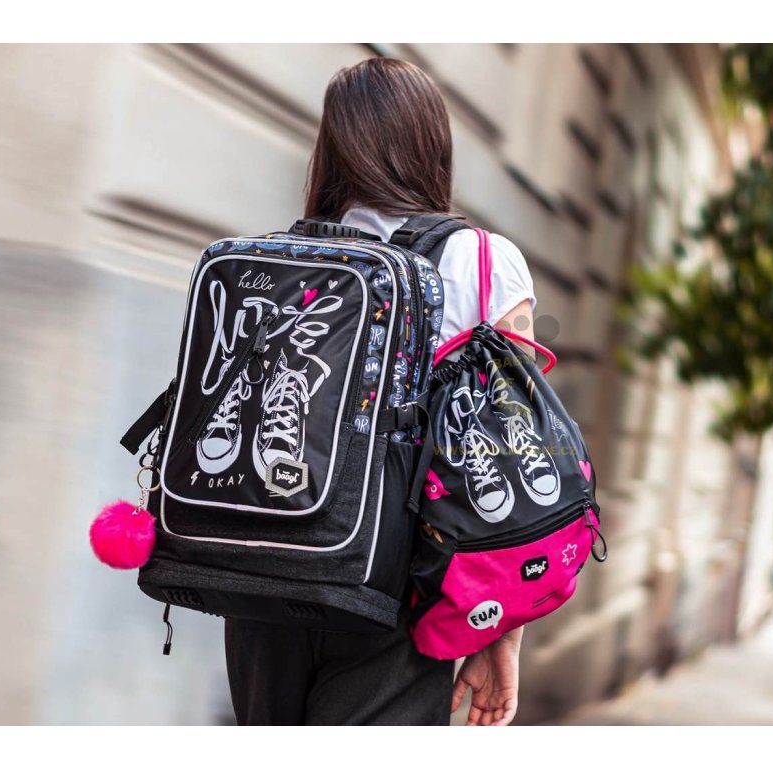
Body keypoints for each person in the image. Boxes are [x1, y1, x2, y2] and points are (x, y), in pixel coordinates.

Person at [223, 57, 538, 727]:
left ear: (331, 148)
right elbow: (511, 463)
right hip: (399, 596)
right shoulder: (484, 263)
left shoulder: (287, 258)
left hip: (264, 583)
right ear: (434, 145)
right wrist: (498, 636)